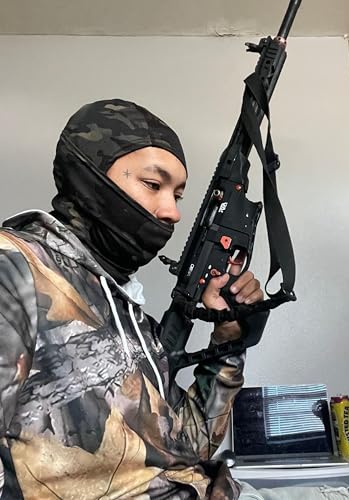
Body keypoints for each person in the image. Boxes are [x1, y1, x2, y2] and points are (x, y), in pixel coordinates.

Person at [0, 98, 263, 499]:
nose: (172, 212)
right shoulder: (14, 267)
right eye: (154, 185)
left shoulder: (127, 313)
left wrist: (228, 342)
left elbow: (185, 450)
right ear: (90, 177)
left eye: (177, 195)